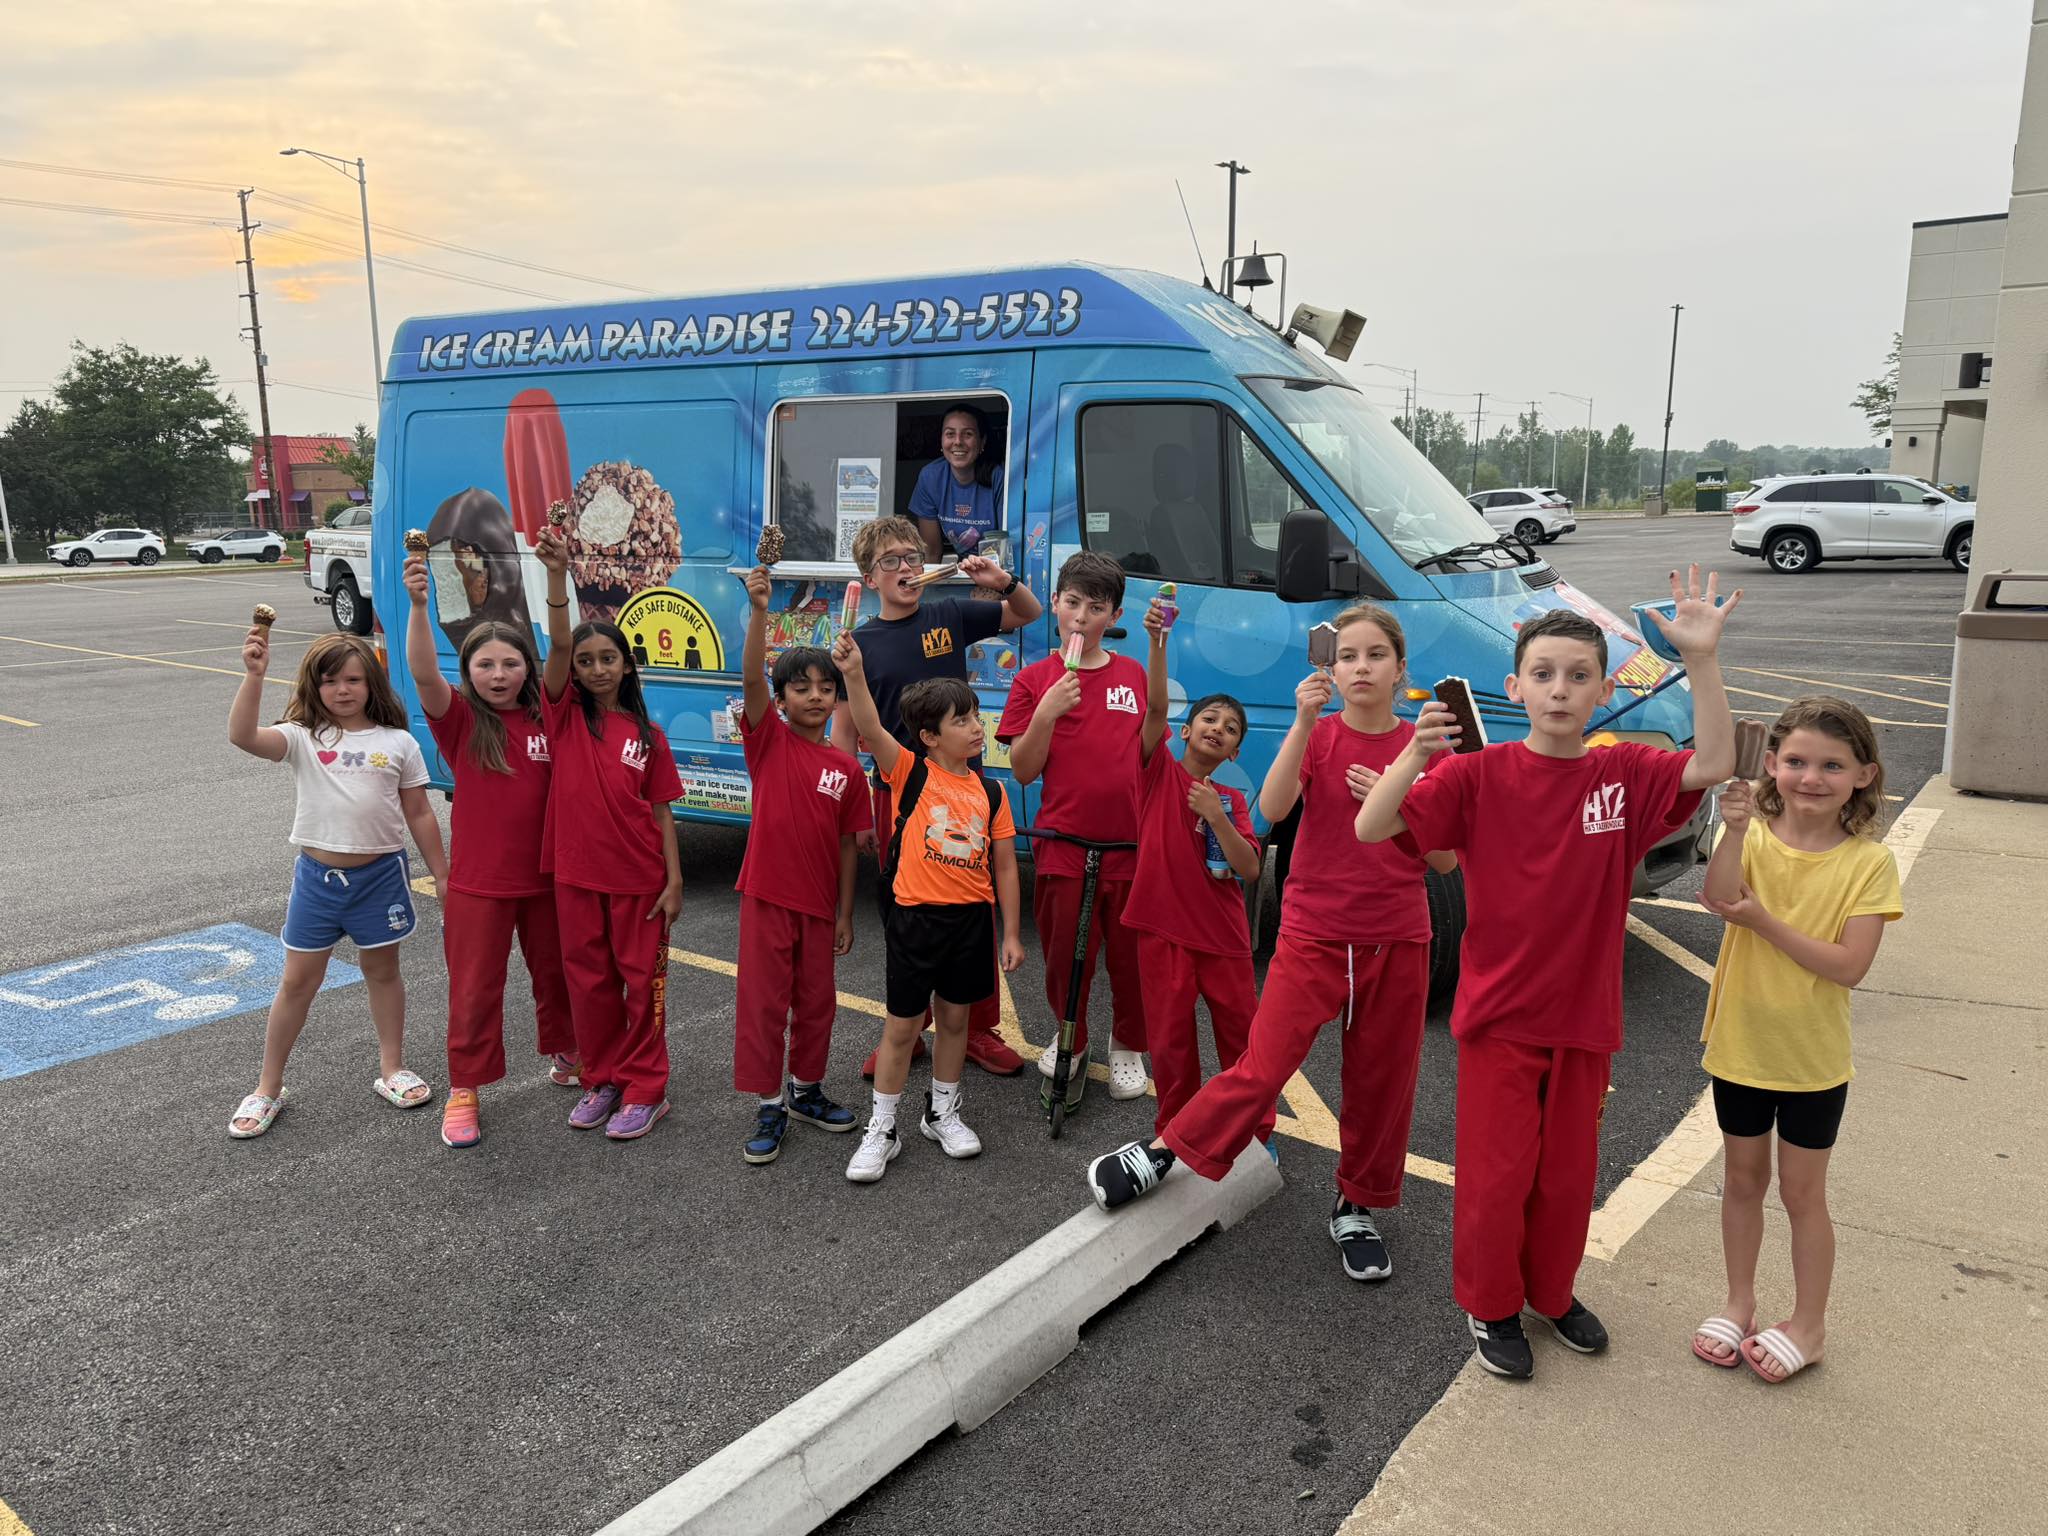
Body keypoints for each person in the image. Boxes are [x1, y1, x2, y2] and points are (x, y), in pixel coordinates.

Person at [1353, 569, 1739, 1379]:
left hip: (1584, 1018)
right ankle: (1490, 1304)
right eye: (1543, 674)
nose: (1559, 689)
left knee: (1566, 1181)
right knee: (1497, 1180)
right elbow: (1372, 824)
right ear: (1514, 686)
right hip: (1499, 1018)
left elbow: (1713, 762)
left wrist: (1700, 659)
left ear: (1602, 689)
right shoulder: (1475, 776)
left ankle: (1551, 1293)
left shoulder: (1622, 773)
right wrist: (1413, 754)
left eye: (1577, 676)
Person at [1087, 604, 1457, 1288]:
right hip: (1313, 930)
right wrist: (1304, 720)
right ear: (1331, 668)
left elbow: (1442, 861)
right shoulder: (1316, 735)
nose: (1361, 667)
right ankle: (1166, 1151)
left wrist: (1398, 794)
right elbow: (1275, 810)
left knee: (1381, 1085)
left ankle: (1356, 1206)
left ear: (1401, 669)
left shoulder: (1422, 744)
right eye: (1348, 656)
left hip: (1396, 937)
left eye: (1376, 655)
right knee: (1261, 1065)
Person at [1691, 697, 1901, 1384]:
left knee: (1803, 1195)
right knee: (1741, 1181)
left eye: (1832, 766)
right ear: (1773, 765)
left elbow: (1850, 965)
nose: (1812, 778)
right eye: (1797, 762)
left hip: (1812, 1061)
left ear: (1863, 775)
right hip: (1741, 1045)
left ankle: (1808, 1326)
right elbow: (1719, 899)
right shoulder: (1753, 835)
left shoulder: (1868, 864)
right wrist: (1732, 830)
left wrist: (1766, 923)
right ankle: (1739, 1301)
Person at [832, 514, 1041, 1078]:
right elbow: (846, 732)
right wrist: (853, 813)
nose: (905, 568)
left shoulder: (949, 613)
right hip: (897, 793)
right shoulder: (861, 643)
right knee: (905, 912)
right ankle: (909, 1026)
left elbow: (1029, 613)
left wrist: (1001, 580)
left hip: (965, 792)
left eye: (911, 558)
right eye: (890, 562)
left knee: (975, 906)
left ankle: (978, 1028)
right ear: (869, 578)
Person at [225, 629, 448, 1138]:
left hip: (380, 879)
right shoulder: (303, 736)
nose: (342, 690)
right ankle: (267, 1087)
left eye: (352, 679)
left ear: (371, 683)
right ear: (314, 686)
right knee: (297, 982)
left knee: (383, 971)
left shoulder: (398, 742)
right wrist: (254, 675)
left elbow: (419, 812)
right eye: (330, 681)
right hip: (318, 882)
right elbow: (243, 736)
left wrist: (443, 874)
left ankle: (391, 1068)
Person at [832, 637, 1025, 1183]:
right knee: (901, 1028)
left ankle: (941, 1112)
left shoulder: (992, 792)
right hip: (916, 920)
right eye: (961, 720)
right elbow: (869, 727)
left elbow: (1006, 867)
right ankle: (884, 1126)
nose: (975, 726)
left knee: (957, 1021)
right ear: (929, 736)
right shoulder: (911, 772)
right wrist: (853, 673)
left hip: (970, 923)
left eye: (975, 716)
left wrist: (1010, 933)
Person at [404, 555, 575, 1149]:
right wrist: (421, 606)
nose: (498, 674)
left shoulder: (548, 718)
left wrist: (555, 580)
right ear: (468, 671)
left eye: (510, 663)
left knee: (558, 978)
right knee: (475, 990)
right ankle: (465, 1088)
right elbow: (424, 674)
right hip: (479, 886)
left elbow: (561, 654)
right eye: (485, 665)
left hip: (551, 881)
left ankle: (568, 1053)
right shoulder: (459, 723)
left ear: (526, 669)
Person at [536, 528, 684, 1141]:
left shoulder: (649, 738)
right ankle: (602, 1078)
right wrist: (558, 576)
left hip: (640, 883)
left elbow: (662, 815)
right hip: (575, 877)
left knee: (640, 987)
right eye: (585, 661)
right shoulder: (563, 715)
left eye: (608, 659)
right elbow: (558, 642)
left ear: (628, 665)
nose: (596, 669)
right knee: (589, 986)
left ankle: (647, 1087)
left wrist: (674, 880)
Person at [998, 551, 1152, 1101]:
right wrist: (1047, 711)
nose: (1082, 617)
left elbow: (1146, 752)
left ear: (1113, 614)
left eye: (1096, 607)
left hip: (1129, 844)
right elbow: (1022, 768)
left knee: (1131, 957)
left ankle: (1129, 1045)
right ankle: (1074, 1039)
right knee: (1066, 954)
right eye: (1072, 603)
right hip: (1063, 842)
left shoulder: (1131, 675)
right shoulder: (1033, 679)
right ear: (1056, 605)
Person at [733, 563, 873, 1164]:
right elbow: (752, 680)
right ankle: (769, 1103)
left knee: (818, 1003)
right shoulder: (768, 741)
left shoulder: (846, 770)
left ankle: (806, 1090)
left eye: (825, 688)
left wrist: (844, 914)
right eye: (802, 688)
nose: (815, 696)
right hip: (766, 898)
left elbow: (848, 846)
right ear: (782, 698)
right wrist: (761, 609)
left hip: (819, 910)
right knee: (765, 1004)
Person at [1122, 595, 1262, 1135]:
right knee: (1172, 1044)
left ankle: (1252, 1132)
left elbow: (1249, 870)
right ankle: (1175, 1135)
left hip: (1223, 938)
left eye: (1230, 729)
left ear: (1233, 752)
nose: (1218, 728)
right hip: (1163, 933)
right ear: (1186, 730)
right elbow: (1154, 709)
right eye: (1209, 718)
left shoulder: (1229, 798)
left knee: (1243, 1040)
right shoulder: (1156, 772)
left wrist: (1217, 818)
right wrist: (1158, 642)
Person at [910, 405, 1003, 562]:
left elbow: (1005, 548)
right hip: (967, 571)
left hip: (995, 573)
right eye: (950, 434)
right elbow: (931, 551)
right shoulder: (930, 477)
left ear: (982, 442)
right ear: (941, 440)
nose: (958, 441)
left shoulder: (998, 477)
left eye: (968, 434)